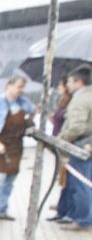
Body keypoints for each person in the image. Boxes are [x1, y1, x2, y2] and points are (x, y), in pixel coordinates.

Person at [0, 75, 35, 225]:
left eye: (23, 87)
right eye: (19, 87)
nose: (21, 90)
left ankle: (2, 210)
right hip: (0, 145)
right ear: (9, 86)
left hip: (16, 145)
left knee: (10, 180)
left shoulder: (23, 102)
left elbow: (33, 111)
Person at [57, 65, 92, 232]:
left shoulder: (80, 99)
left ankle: (84, 220)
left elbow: (77, 127)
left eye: (70, 82)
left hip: (81, 146)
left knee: (81, 184)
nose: (68, 85)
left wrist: (61, 141)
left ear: (80, 82)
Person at [49, 77, 74, 222]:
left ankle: (68, 211)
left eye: (60, 84)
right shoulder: (62, 101)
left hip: (66, 146)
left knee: (68, 179)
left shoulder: (72, 102)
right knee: (63, 179)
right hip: (58, 145)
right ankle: (62, 209)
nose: (58, 86)